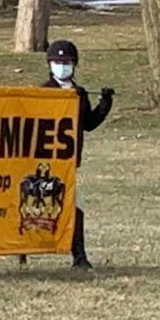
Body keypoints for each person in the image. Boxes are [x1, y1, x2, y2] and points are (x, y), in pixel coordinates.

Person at [41, 39, 112, 269]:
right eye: (58, 62)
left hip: (70, 162)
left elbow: (88, 124)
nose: (63, 66)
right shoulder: (43, 93)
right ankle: (25, 250)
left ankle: (79, 256)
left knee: (73, 207)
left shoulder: (79, 93)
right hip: (46, 162)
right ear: (50, 64)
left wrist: (104, 104)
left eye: (67, 62)